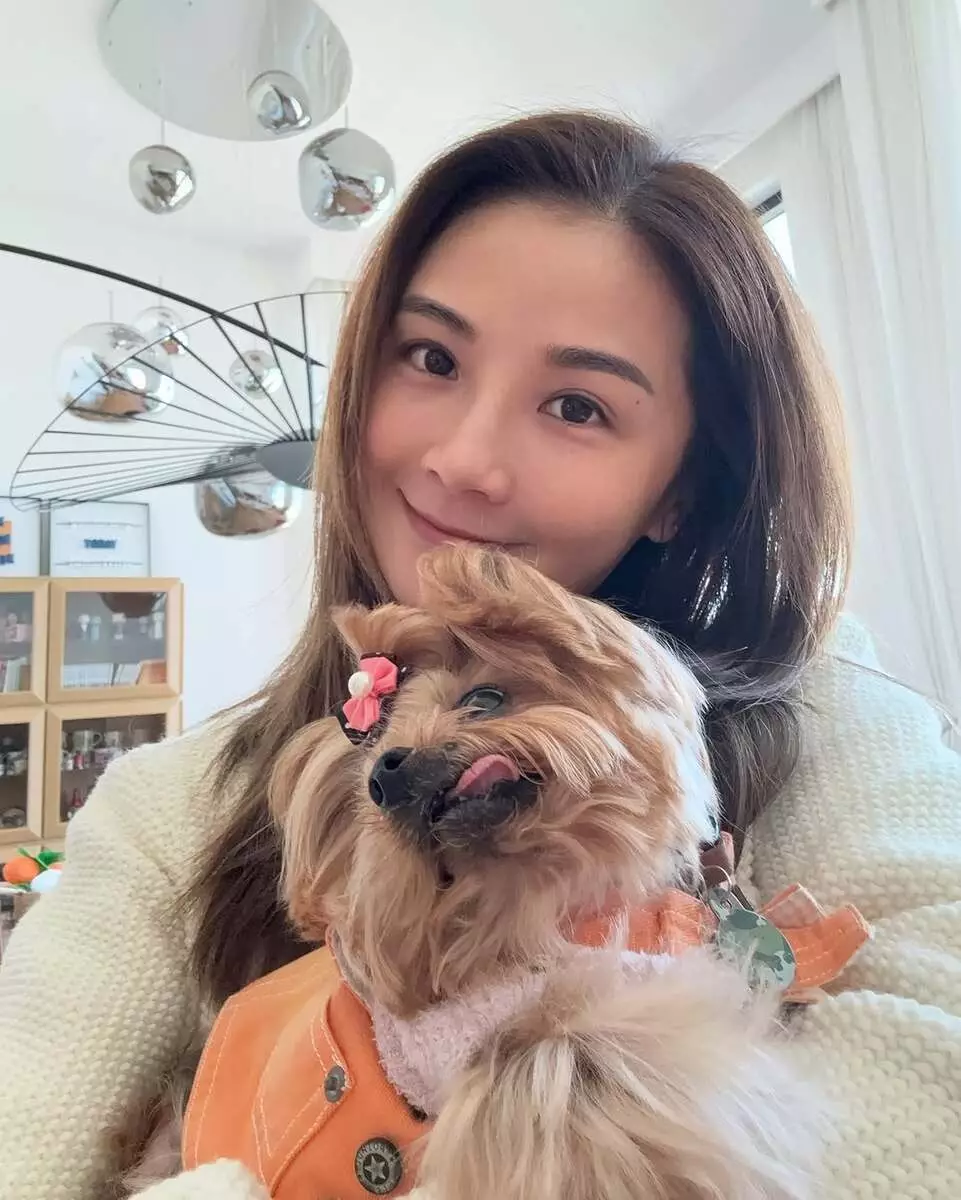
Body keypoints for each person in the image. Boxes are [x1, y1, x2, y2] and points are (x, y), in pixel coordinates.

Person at [1, 112, 958, 1200]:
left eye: (576, 406)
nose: (463, 460)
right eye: (432, 358)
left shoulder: (828, 717)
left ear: (681, 490)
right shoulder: (168, 807)